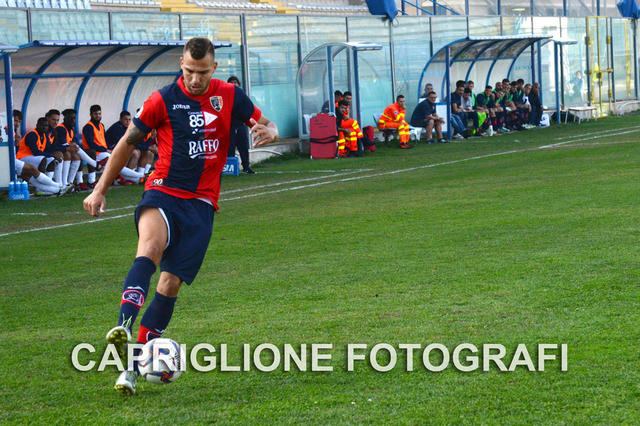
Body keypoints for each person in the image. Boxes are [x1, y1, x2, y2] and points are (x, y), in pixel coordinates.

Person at [82, 37, 278, 396]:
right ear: (181, 65)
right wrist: (99, 189)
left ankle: (132, 369)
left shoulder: (229, 95)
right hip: (163, 191)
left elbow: (266, 122)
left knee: (169, 284)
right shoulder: (162, 100)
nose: (195, 79)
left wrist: (272, 130)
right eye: (189, 71)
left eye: (202, 72)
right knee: (150, 248)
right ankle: (123, 326)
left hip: (201, 204)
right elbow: (127, 143)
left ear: (214, 68)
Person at [83, 105, 145, 187]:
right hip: (95, 154)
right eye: (95, 114)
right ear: (90, 114)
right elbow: (91, 145)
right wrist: (106, 150)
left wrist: (107, 150)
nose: (98, 116)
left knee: (119, 166)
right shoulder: (88, 127)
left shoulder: (101, 125)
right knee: (118, 165)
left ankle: (139, 177)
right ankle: (141, 176)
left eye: (99, 114)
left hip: (104, 153)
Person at [227, 76, 254, 174]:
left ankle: (246, 167)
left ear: (238, 84)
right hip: (229, 126)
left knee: (243, 147)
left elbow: (249, 109)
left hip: (240, 125)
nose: (233, 84)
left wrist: (244, 118)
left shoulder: (242, 96)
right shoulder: (225, 96)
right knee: (230, 147)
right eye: (231, 82)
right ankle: (230, 168)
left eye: (235, 82)